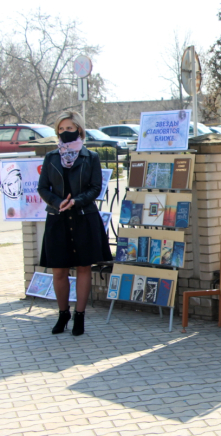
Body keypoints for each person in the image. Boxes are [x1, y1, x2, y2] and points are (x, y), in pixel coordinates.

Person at [37, 110, 113, 336]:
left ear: (79, 129)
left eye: (69, 128)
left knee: (83, 268)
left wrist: (76, 201)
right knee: (59, 270)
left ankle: (80, 315)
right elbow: (42, 188)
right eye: (61, 129)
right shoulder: (51, 157)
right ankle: (63, 314)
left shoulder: (91, 157)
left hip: (83, 217)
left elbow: (95, 187)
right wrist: (57, 202)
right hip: (58, 218)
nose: (64, 132)